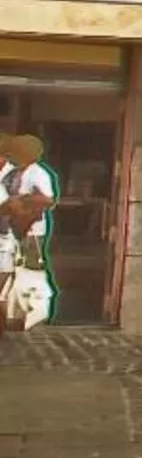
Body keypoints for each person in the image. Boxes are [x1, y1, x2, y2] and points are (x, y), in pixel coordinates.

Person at [2, 132, 56, 334]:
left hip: (32, 230)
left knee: (33, 272)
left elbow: (48, 200)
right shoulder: (20, 172)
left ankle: (37, 316)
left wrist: (23, 201)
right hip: (17, 228)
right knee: (17, 271)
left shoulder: (38, 173)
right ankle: (17, 316)